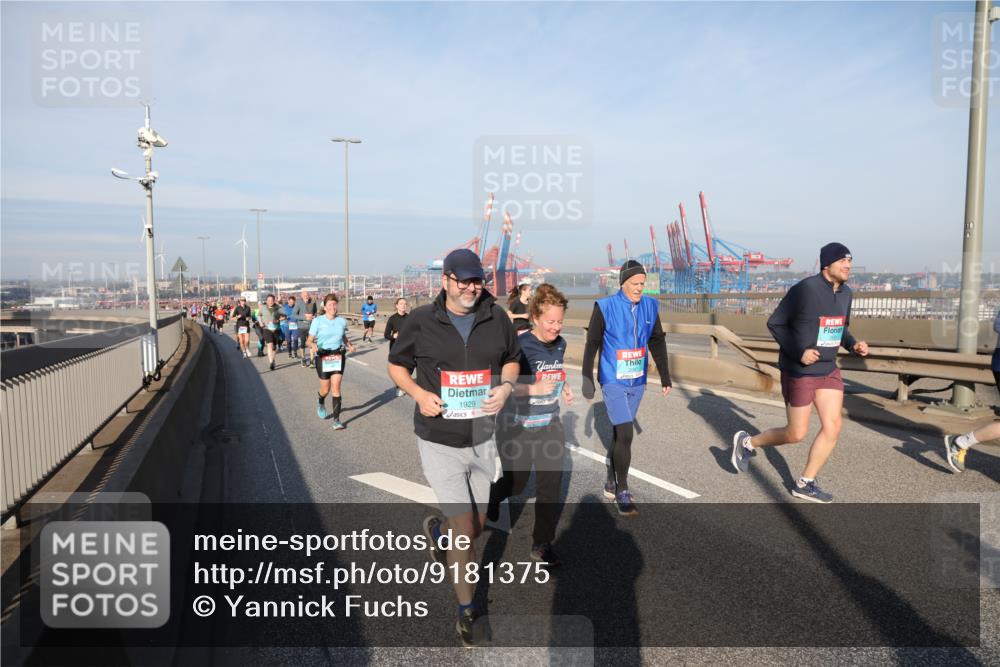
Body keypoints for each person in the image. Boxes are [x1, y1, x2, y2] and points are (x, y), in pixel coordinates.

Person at [387, 248, 520, 647]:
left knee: (476, 527)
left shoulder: (496, 317)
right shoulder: (420, 321)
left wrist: (507, 386)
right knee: (466, 530)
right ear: (445, 280)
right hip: (438, 438)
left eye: (476, 280)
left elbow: (512, 358)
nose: (470, 287)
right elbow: (396, 366)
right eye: (462, 280)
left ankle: (440, 535)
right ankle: (467, 612)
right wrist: (417, 393)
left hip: (482, 437)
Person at [731, 242, 869, 503]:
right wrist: (800, 351)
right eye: (843, 261)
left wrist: (853, 345)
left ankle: (805, 483)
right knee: (796, 434)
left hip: (828, 369)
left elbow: (841, 328)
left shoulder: (846, 293)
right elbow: (776, 323)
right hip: (800, 370)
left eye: (850, 261)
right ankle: (748, 443)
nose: (848, 266)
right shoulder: (805, 289)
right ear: (827, 264)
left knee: (833, 425)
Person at [489, 284, 573, 566]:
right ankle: (489, 499)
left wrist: (564, 386)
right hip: (518, 426)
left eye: (560, 321)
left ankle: (541, 544)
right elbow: (502, 384)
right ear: (535, 317)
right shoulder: (521, 346)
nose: (556, 327)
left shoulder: (560, 343)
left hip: (549, 423)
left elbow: (554, 371)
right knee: (516, 484)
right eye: (550, 321)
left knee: (551, 486)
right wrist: (533, 390)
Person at [582, 260, 671, 517]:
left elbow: (657, 341)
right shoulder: (605, 306)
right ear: (623, 283)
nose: (639, 288)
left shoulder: (651, 306)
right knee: (626, 433)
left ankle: (610, 478)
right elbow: (592, 344)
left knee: (619, 435)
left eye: (642, 284)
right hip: (612, 379)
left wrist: (665, 375)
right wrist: (587, 379)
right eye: (635, 284)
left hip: (637, 381)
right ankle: (623, 490)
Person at [307, 293, 356, 430]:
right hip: (322, 356)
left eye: (335, 304)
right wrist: (313, 346)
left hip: (337, 356)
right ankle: (320, 400)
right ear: (325, 306)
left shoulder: (341, 321)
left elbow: (343, 336)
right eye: (330, 305)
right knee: (325, 388)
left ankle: (336, 420)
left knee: (336, 388)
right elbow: (309, 340)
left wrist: (349, 345)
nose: (333, 307)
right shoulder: (318, 321)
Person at [384, 297, 410, 397]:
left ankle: (403, 384)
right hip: (396, 348)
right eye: (401, 304)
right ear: (397, 306)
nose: (403, 305)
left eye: (405, 304)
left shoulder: (410, 318)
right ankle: (399, 387)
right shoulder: (392, 319)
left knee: (407, 369)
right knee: (398, 370)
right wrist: (393, 336)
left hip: (408, 348)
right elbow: (386, 335)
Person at [259, 294, 285, 371]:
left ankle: (273, 359)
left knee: (275, 347)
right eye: (269, 300)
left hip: (276, 329)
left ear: (274, 300)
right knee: (269, 345)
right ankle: (271, 363)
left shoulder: (278, 307)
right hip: (267, 329)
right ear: (266, 301)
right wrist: (260, 322)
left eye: (272, 300)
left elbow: (285, 316)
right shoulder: (263, 307)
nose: (270, 301)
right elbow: (259, 315)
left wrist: (279, 320)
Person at [298, 290, 318, 367]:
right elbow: (295, 315)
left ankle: (312, 361)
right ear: (301, 296)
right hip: (302, 326)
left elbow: (315, 313)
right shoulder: (299, 304)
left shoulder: (313, 303)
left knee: (311, 344)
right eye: (304, 295)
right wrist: (304, 317)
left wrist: (314, 316)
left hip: (311, 326)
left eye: (307, 295)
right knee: (303, 344)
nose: (306, 296)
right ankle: (303, 359)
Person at [283, 296, 303, 360]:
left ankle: (295, 353)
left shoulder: (297, 307)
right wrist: (286, 319)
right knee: (288, 340)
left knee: (296, 339)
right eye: (290, 301)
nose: (291, 303)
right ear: (288, 301)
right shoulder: (284, 307)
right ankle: (289, 353)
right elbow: (281, 316)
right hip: (287, 326)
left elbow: (300, 315)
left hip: (295, 325)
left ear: (294, 302)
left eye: (292, 302)